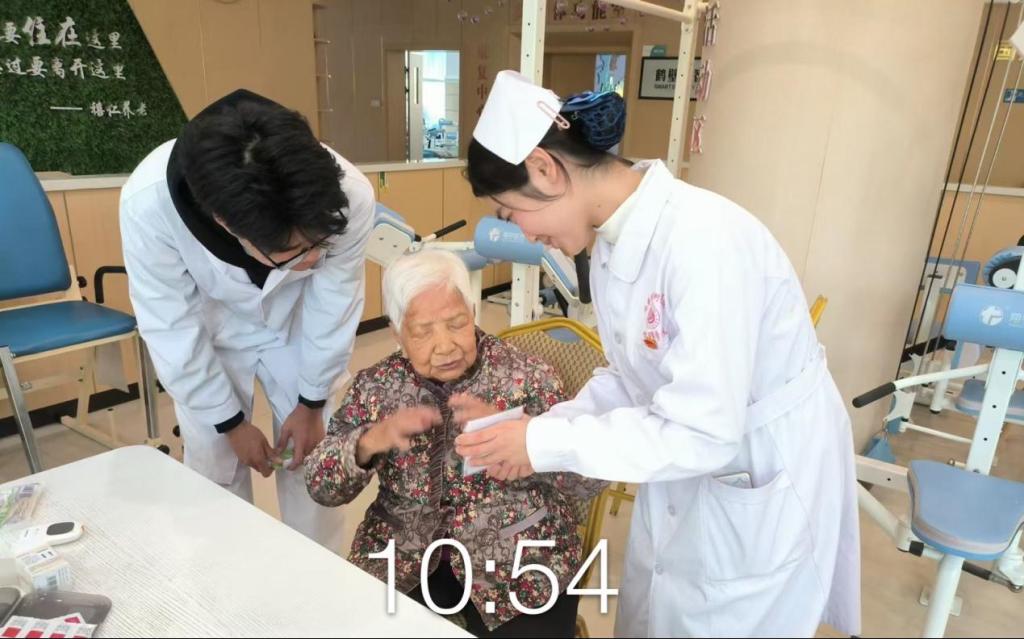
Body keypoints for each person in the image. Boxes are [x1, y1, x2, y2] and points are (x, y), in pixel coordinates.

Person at [454, 70, 861, 637]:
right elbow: (629, 376)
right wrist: (540, 433)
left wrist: (545, 443)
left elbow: (704, 430)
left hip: (754, 462)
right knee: (659, 606)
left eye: (509, 212)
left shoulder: (705, 242)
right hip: (688, 467)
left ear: (545, 169)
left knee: (718, 617)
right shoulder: (610, 241)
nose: (521, 232)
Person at [119, 89, 374, 551]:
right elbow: (171, 328)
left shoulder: (348, 194)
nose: (312, 259)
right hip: (211, 332)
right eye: (294, 252)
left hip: (299, 324)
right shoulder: (148, 205)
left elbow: (334, 303)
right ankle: (227, 576)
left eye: (318, 245)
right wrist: (231, 424)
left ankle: (318, 575)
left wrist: (311, 401)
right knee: (216, 469)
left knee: (313, 460)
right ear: (225, 223)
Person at [305, 249, 606, 638]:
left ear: (473, 312)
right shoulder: (375, 387)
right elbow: (320, 486)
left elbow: (591, 479)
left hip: (520, 560)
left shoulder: (526, 376)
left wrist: (529, 442)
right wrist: (369, 441)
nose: (445, 345)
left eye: (456, 323)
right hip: (403, 555)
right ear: (397, 334)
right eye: (423, 332)